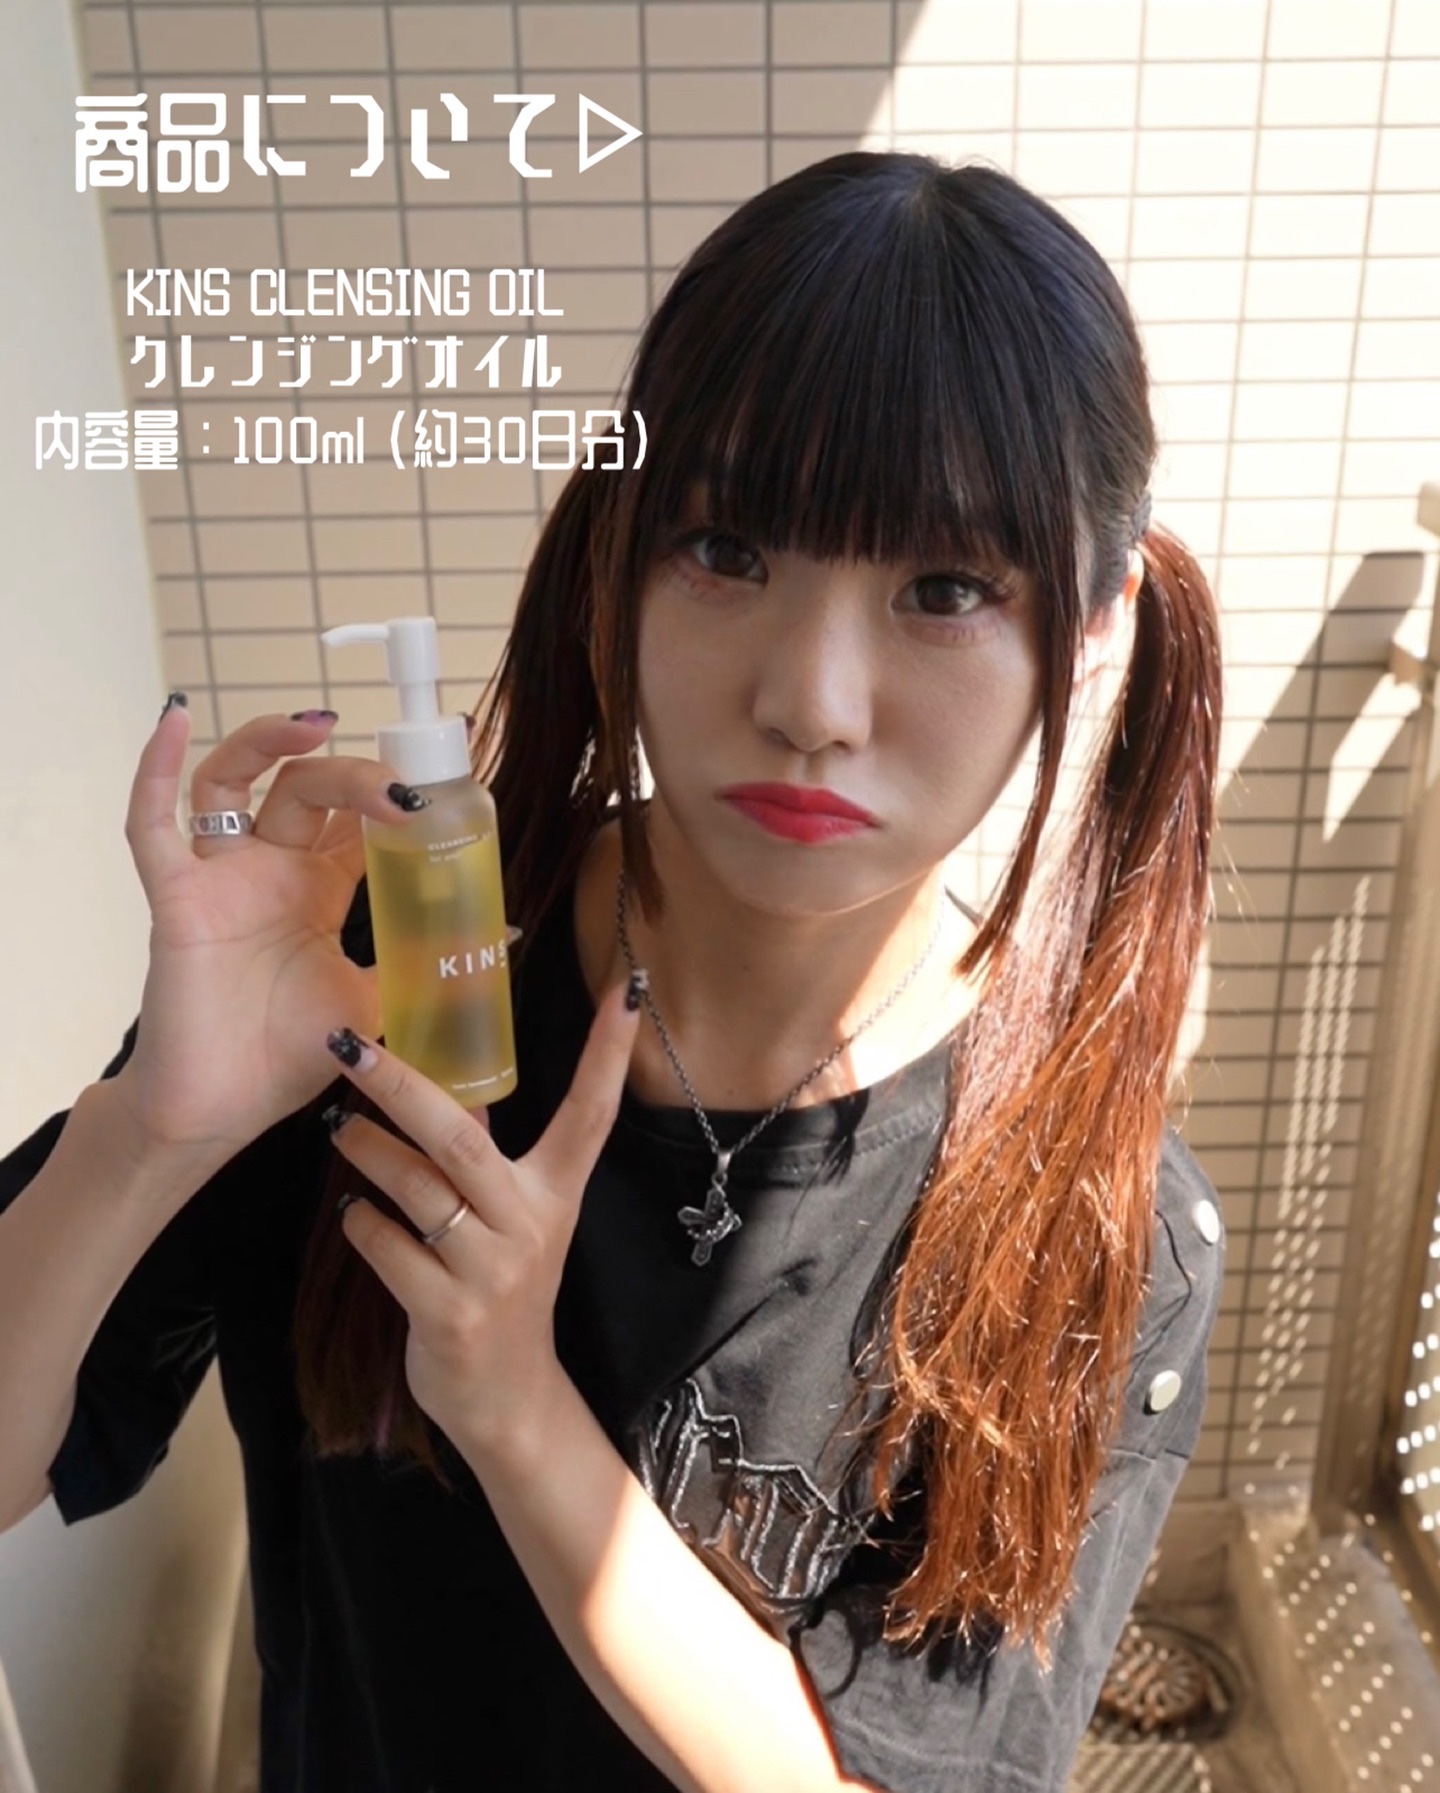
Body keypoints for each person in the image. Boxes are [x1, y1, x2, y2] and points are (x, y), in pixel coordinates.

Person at [0, 151, 1225, 1793]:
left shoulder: (1095, 1223)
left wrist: (512, 1404)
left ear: (1093, 625)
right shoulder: (373, 985)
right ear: (619, 557)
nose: (812, 700)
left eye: (944, 589)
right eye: (726, 548)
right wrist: (151, 1128)